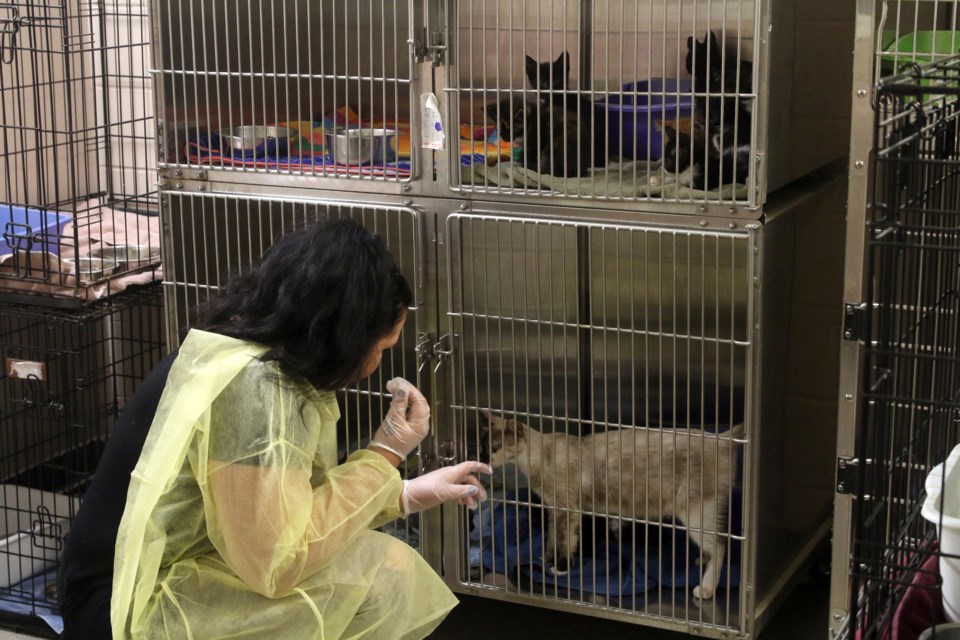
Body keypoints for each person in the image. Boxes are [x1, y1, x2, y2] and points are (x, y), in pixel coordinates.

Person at [58, 218, 491, 640]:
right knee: (383, 572)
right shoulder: (252, 387)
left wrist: (403, 493)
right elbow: (277, 562)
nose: (375, 366)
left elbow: (279, 512)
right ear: (342, 334)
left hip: (176, 571)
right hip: (124, 607)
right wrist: (385, 455)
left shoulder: (249, 350)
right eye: (379, 349)